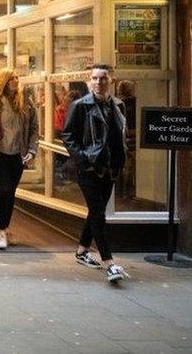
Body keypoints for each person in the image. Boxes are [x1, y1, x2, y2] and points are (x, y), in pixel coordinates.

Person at [62, 64, 129, 283]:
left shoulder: (118, 105)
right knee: (99, 214)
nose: (98, 82)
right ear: (89, 81)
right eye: (94, 79)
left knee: (95, 211)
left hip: (110, 168)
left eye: (103, 78)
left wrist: (120, 161)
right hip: (89, 169)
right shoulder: (80, 105)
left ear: (111, 80)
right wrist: (83, 160)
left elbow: (119, 136)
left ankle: (82, 251)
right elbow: (68, 135)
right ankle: (109, 263)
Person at [0, 68, 39, 250]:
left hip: (18, 154)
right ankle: (1, 230)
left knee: (10, 192)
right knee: (2, 189)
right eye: (12, 78)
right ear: (3, 81)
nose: (16, 81)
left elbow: (34, 128)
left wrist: (32, 150)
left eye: (17, 78)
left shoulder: (26, 101)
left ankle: (5, 227)